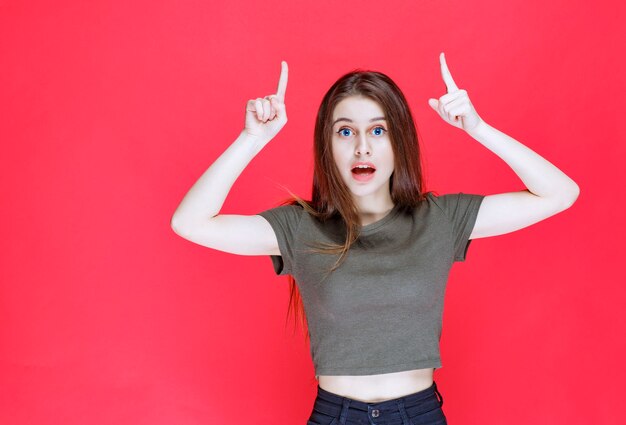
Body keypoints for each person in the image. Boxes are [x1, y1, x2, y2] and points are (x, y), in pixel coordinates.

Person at [171, 53, 579, 424]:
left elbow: (560, 193)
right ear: (327, 145)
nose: (362, 148)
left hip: (419, 413)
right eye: (345, 132)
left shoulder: (440, 220)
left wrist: (479, 129)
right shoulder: (300, 228)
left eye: (378, 130)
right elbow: (190, 222)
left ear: (399, 141)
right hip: (335, 414)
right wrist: (252, 139)